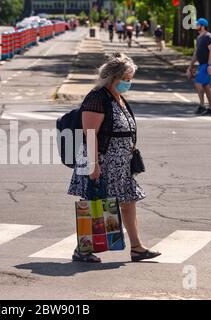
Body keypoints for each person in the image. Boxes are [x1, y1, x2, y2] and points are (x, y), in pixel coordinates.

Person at [68, 53, 161, 263]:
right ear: (113, 78)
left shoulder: (118, 98)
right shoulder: (97, 97)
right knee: (94, 203)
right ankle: (82, 250)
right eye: (126, 79)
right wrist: (93, 166)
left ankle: (137, 248)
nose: (129, 83)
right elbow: (89, 134)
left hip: (121, 165)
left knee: (128, 201)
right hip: (101, 162)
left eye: (130, 79)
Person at [187, 18, 211, 116]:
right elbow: (196, 53)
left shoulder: (208, 36)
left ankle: (202, 106)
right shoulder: (199, 37)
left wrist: (209, 65)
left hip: (207, 65)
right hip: (202, 65)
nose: (196, 26)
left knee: (198, 83)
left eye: (197, 24)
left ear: (202, 26)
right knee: (206, 86)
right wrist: (190, 66)